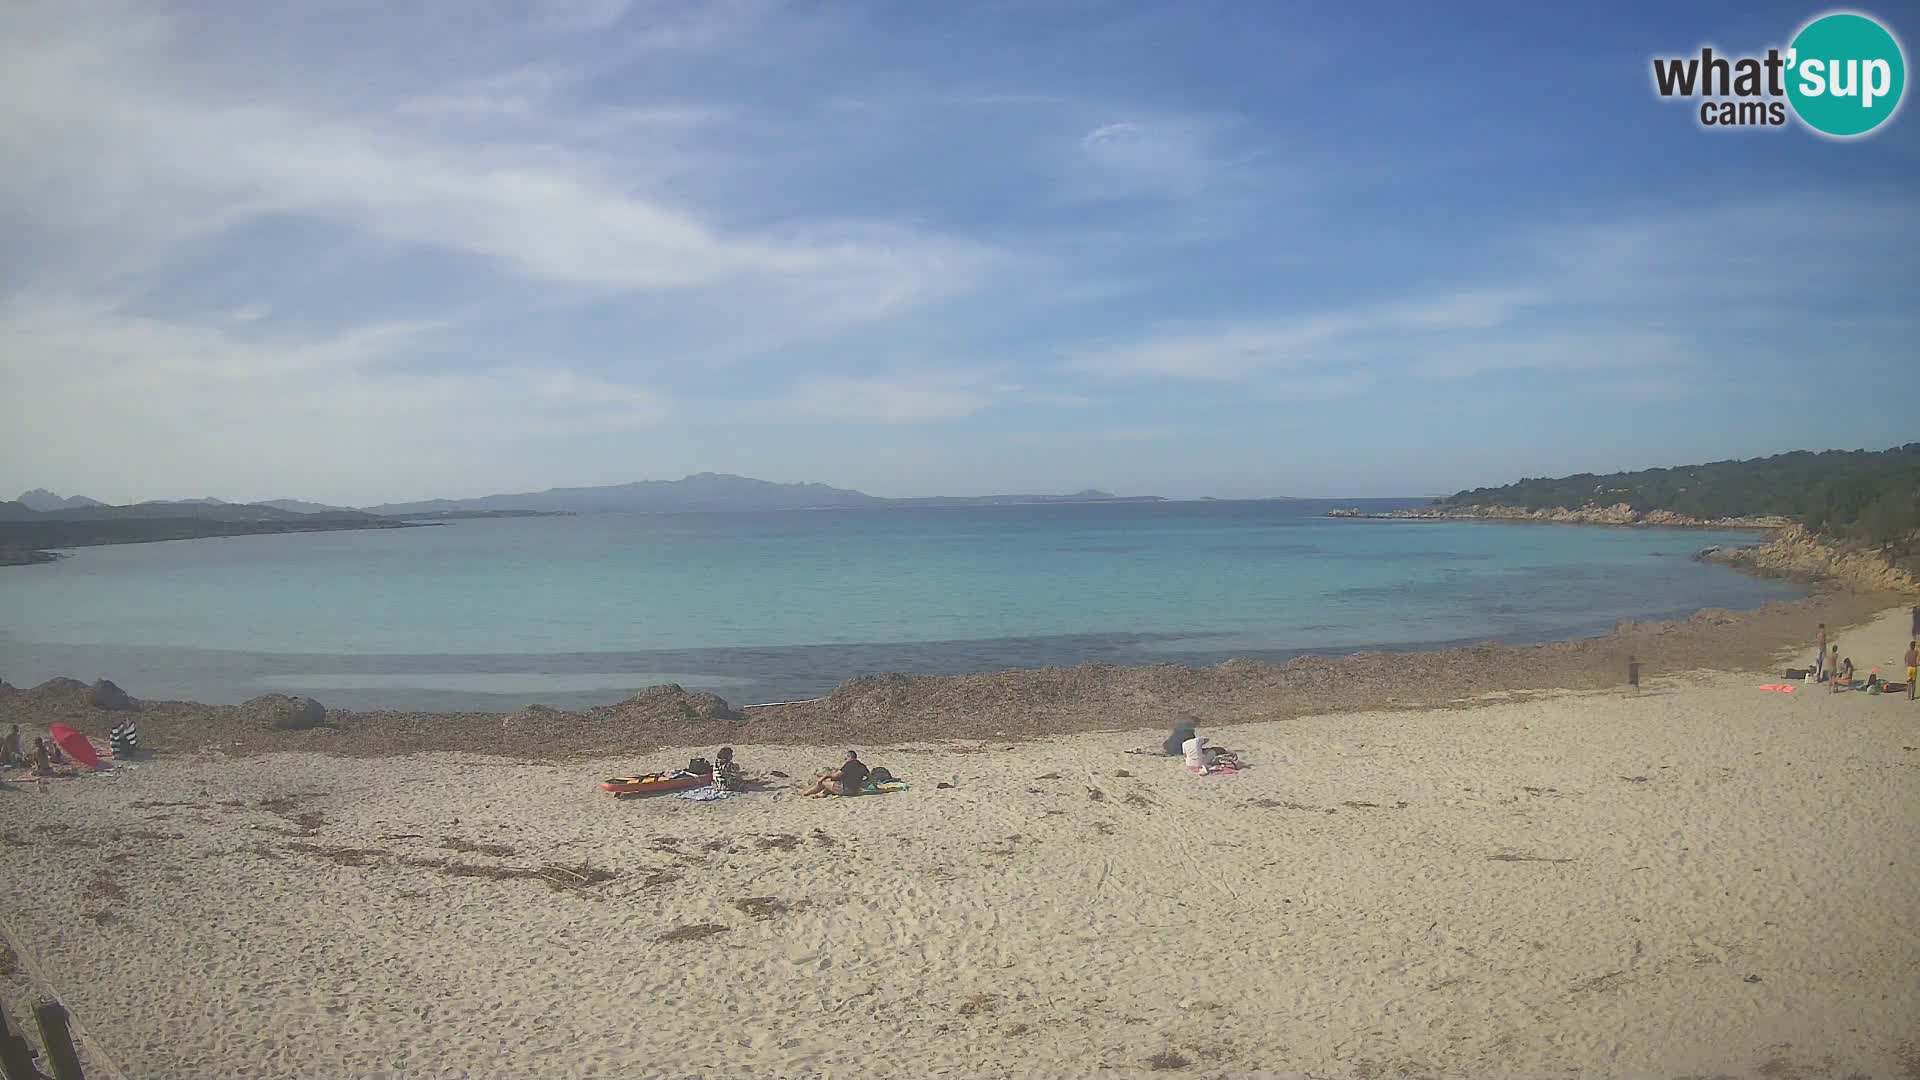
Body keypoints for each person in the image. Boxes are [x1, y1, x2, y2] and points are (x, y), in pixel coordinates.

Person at [802, 751, 869, 797]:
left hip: (846, 790)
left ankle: (806, 793)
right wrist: (877, 787)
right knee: (831, 783)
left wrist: (824, 776)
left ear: (849, 757)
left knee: (823, 782)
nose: (845, 759)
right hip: (855, 790)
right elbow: (870, 777)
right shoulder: (862, 766)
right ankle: (822, 794)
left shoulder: (849, 765)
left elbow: (836, 775)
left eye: (846, 757)